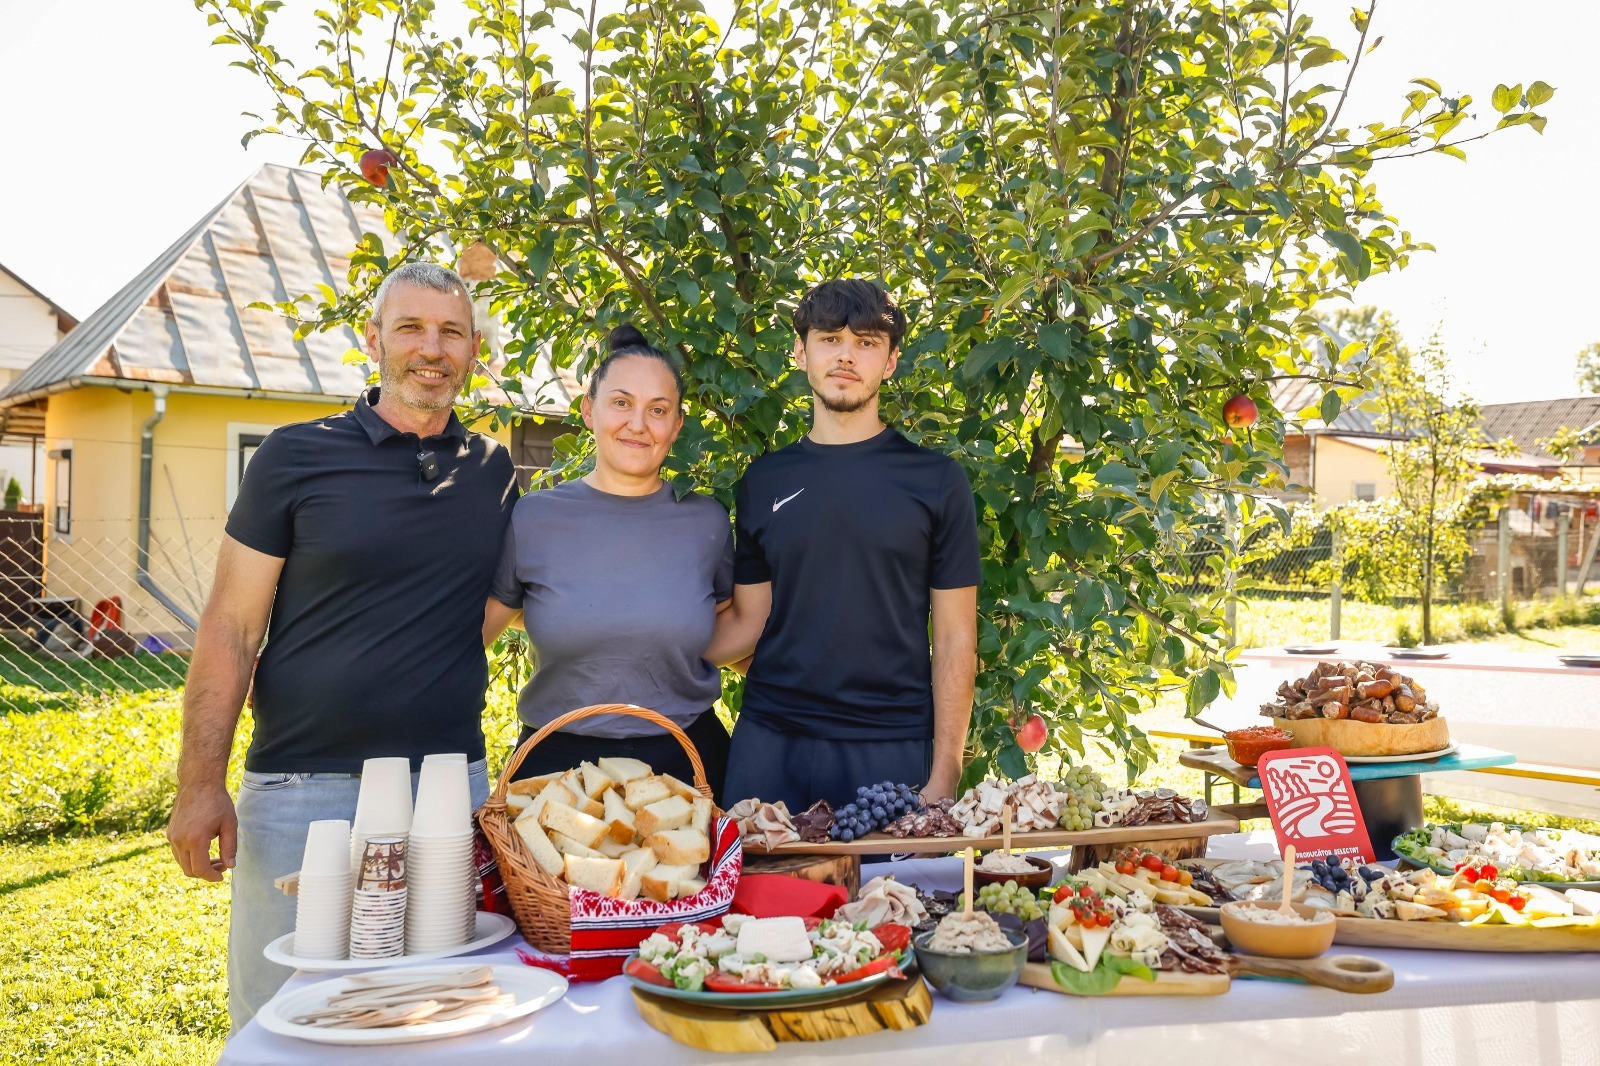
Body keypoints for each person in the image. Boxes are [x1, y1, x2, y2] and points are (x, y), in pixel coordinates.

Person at [165, 262, 518, 1030]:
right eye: (412, 328)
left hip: (445, 789)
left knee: (434, 1011)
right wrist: (199, 783)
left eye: (452, 331)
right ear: (374, 339)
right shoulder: (294, 457)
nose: (433, 347)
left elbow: (492, 607)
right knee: (286, 1018)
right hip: (304, 791)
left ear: (473, 348)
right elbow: (230, 626)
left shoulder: (493, 470)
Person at [708, 279, 980, 812]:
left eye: (867, 342)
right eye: (830, 339)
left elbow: (954, 639)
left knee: (895, 899)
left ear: (891, 361)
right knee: (757, 898)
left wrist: (945, 772)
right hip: (770, 741)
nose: (846, 356)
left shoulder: (937, 482)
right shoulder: (763, 481)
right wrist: (650, 637)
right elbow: (748, 624)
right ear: (800, 352)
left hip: (890, 746)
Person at [482, 325, 735, 797]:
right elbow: (472, 636)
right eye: (621, 403)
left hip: (688, 764)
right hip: (553, 769)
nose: (638, 424)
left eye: (657, 411)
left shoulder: (708, 522)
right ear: (587, 410)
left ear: (676, 425)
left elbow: (730, 635)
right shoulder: (534, 517)